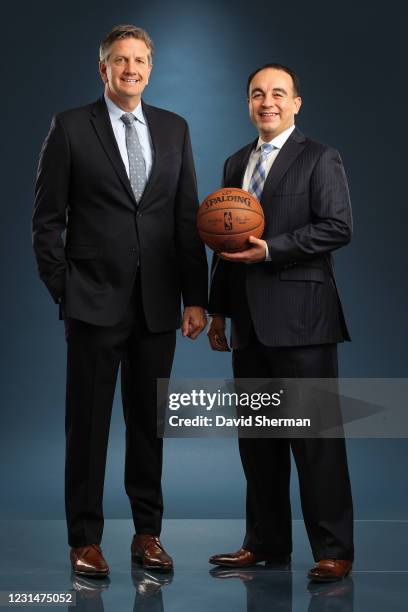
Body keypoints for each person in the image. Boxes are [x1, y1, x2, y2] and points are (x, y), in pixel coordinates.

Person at [32, 24, 208, 576]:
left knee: (148, 425)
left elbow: (185, 219)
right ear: (103, 69)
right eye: (119, 60)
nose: (131, 69)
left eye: (139, 60)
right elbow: (45, 222)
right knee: (86, 426)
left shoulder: (175, 129)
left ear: (150, 68)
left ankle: (147, 534)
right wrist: (67, 288)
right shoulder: (69, 127)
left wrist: (195, 298)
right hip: (93, 303)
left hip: (158, 304)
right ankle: (84, 539)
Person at [207, 63, 354, 582]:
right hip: (249, 322)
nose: (267, 101)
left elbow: (338, 227)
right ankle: (265, 542)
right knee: (259, 443)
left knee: (316, 442)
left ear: (296, 102)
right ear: (248, 104)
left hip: (304, 321)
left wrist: (272, 250)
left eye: (277, 94)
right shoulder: (234, 163)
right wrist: (219, 310)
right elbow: (224, 243)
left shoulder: (320, 158)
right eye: (256, 94)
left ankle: (333, 549)